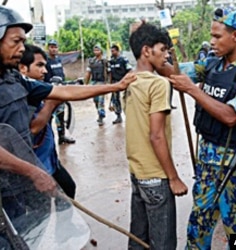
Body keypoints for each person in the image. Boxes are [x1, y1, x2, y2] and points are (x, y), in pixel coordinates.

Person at [0, 5, 136, 247]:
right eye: (15, 41)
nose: (22, 48)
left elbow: (64, 90)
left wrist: (114, 87)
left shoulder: (13, 78)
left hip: (18, 188)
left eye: (23, 41)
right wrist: (34, 172)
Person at [158, 6, 236, 249]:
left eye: (217, 36)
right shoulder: (211, 64)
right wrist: (157, 52)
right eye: (211, 35)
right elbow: (175, 73)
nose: (212, 41)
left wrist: (192, 89)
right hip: (207, 166)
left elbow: (231, 116)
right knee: (198, 226)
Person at [125, 23, 188, 250]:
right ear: (146, 50)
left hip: (137, 172)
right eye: (163, 49)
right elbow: (156, 136)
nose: (167, 56)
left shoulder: (129, 79)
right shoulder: (158, 84)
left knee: (139, 239)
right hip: (156, 176)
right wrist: (173, 177)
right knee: (163, 244)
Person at [18, 44, 76, 199]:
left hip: (50, 162)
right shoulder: (22, 94)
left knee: (69, 189)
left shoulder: (41, 89)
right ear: (23, 68)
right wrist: (51, 103)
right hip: (35, 167)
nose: (44, 70)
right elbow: (34, 129)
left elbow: (70, 92)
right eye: (39, 66)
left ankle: (65, 223)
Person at [44, 39, 75, 145]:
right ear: (48, 48)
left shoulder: (58, 60)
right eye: (51, 47)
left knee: (60, 116)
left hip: (60, 92)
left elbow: (62, 75)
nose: (53, 49)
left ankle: (61, 137)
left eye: (55, 47)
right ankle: (46, 139)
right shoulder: (46, 61)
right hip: (50, 93)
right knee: (48, 117)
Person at [84, 45, 108, 126]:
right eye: (94, 50)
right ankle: (99, 113)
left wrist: (108, 83)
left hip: (101, 83)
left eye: (97, 50)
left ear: (101, 51)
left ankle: (101, 117)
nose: (96, 52)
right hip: (94, 82)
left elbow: (108, 72)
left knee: (101, 100)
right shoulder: (91, 61)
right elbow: (88, 73)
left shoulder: (104, 61)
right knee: (96, 100)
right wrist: (85, 84)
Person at [108, 44, 132, 124]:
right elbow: (110, 73)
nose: (112, 52)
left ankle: (129, 116)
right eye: (111, 51)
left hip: (124, 82)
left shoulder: (123, 59)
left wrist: (127, 81)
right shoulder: (111, 61)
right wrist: (110, 84)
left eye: (113, 51)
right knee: (115, 100)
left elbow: (129, 70)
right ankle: (118, 116)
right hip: (115, 83)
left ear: (117, 51)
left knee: (125, 99)